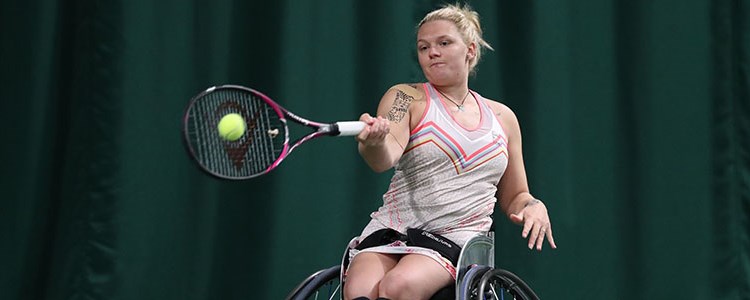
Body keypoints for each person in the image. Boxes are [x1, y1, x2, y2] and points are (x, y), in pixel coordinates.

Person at [344, 4, 557, 300]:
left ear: (469, 50)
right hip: (391, 229)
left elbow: (515, 196)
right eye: (423, 46)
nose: (432, 52)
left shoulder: (503, 118)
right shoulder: (405, 97)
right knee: (359, 291)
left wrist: (533, 205)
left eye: (444, 43)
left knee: (398, 286)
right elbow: (384, 158)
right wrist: (375, 141)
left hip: (457, 237)